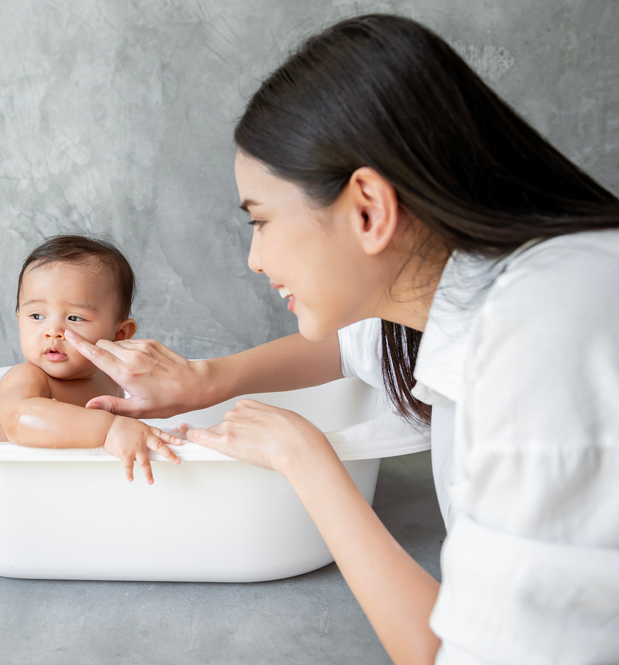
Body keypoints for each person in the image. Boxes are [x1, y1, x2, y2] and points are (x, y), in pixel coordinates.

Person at [64, 15, 619, 665]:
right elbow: (354, 343)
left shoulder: (546, 336)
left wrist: (307, 459)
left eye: (262, 221)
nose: (254, 258)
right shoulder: (477, 294)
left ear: (368, 210)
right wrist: (207, 380)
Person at [0, 234, 182, 484]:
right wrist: (108, 429)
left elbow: (123, 440)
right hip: (22, 488)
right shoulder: (27, 378)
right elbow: (19, 421)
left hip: (82, 491)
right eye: (37, 316)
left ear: (119, 334)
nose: (52, 330)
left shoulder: (112, 380)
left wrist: (162, 437)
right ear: (19, 319)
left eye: (74, 318)